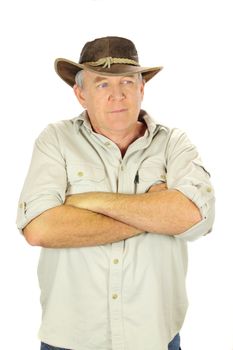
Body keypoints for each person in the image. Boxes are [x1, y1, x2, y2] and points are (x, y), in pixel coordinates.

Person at [16, 36, 215, 350]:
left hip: (153, 337)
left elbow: (194, 217)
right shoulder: (55, 140)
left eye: (126, 82)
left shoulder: (174, 143)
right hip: (70, 339)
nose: (117, 95)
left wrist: (87, 201)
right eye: (102, 85)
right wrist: (155, 212)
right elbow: (40, 229)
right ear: (80, 94)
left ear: (141, 89)